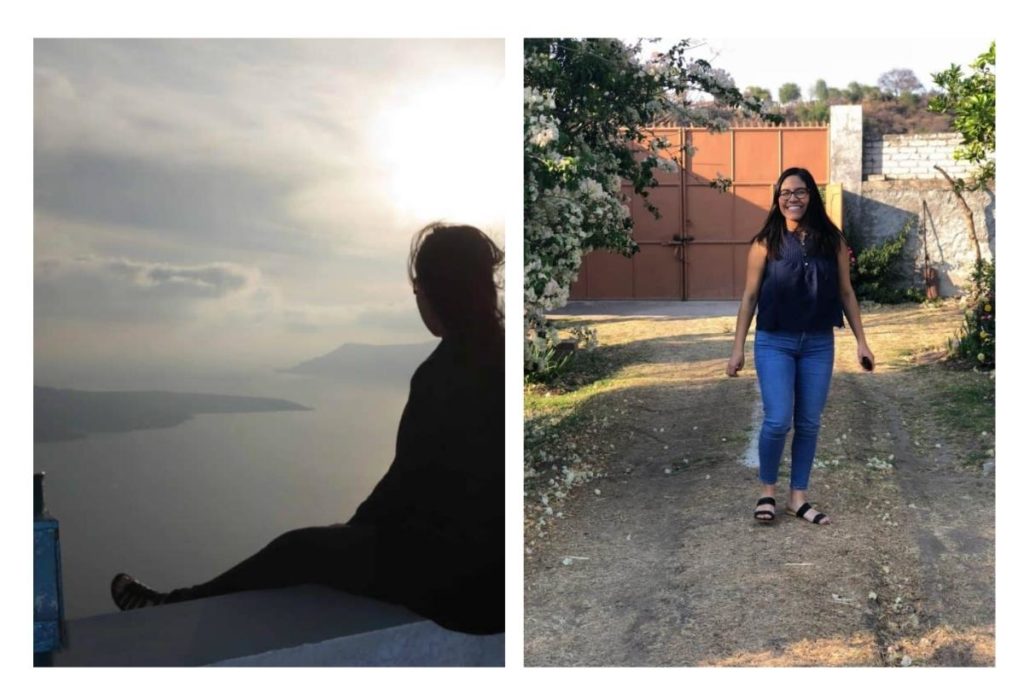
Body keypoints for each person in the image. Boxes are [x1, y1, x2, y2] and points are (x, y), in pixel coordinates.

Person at [111, 222, 505, 635]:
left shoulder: (444, 372)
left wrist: (351, 535)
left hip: (463, 590)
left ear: (437, 291)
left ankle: (172, 607)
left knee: (297, 550)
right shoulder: (498, 355)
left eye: (418, 291)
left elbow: (406, 480)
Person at [726, 168, 873, 526]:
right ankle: (767, 492)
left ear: (812, 196)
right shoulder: (765, 242)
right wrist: (737, 348)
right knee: (777, 419)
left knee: (808, 422)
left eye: (800, 191)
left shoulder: (832, 240)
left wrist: (862, 342)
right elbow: (749, 296)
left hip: (819, 343)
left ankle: (798, 497)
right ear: (777, 198)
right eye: (785, 192)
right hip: (774, 340)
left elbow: (846, 292)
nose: (792, 198)